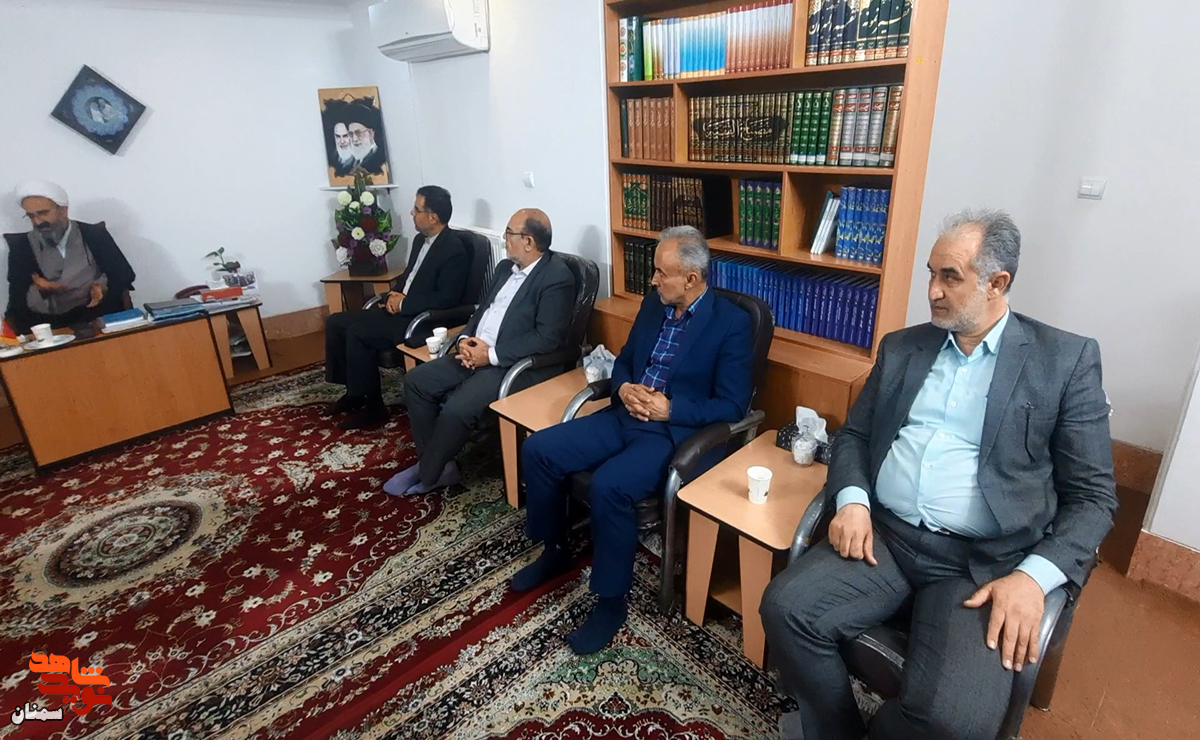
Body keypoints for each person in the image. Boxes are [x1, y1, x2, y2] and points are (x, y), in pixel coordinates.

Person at [760, 209, 1117, 740]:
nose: (931, 291)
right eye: (931, 273)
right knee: (785, 610)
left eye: (950, 277)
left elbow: (1094, 498)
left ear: (997, 283)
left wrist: (1033, 577)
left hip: (981, 565)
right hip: (887, 537)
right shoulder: (903, 347)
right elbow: (855, 435)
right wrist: (853, 500)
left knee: (955, 722)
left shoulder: (1063, 362)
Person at [512, 225, 754, 655]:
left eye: (662, 273)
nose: (653, 280)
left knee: (610, 485)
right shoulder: (653, 304)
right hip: (624, 414)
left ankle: (611, 602)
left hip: (671, 433)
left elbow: (732, 405)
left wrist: (671, 408)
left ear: (692, 279)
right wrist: (623, 388)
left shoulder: (731, 324)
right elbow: (624, 360)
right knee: (539, 449)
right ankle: (555, 549)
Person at [388, 208, 575, 497]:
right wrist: (465, 338)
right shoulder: (504, 268)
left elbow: (547, 337)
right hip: (475, 351)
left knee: (457, 408)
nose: (504, 238)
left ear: (528, 241)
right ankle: (437, 466)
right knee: (417, 381)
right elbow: (482, 311)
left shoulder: (556, 277)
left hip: (511, 364)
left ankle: (428, 473)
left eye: (509, 233)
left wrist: (490, 355)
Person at [325, 185, 469, 430]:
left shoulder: (453, 249)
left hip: (420, 319)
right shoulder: (420, 240)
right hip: (401, 308)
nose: (412, 213)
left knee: (358, 333)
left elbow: (447, 298)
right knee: (336, 322)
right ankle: (354, 392)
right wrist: (393, 294)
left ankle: (374, 409)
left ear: (433, 217)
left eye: (417, 209)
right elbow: (409, 275)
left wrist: (403, 303)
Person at [4, 180, 136, 334]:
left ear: (63, 210)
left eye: (43, 213)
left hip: (98, 316)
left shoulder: (93, 234)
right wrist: (40, 290)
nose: (37, 222)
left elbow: (124, 274)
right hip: (52, 326)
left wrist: (101, 286)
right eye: (31, 216)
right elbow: (17, 299)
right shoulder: (22, 247)